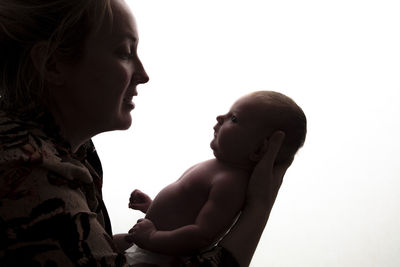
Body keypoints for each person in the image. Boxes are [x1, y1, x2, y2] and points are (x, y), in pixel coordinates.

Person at [0, 0, 295, 266]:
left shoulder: (70, 153)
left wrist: (109, 243)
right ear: (53, 64)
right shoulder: (30, 170)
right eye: (125, 52)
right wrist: (259, 208)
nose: (143, 74)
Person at [121, 91, 307, 267]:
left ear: (259, 150)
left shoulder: (230, 183)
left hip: (159, 258)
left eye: (234, 118)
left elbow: (201, 235)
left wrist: (152, 237)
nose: (220, 118)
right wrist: (153, 208)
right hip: (153, 247)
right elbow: (187, 212)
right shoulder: (215, 168)